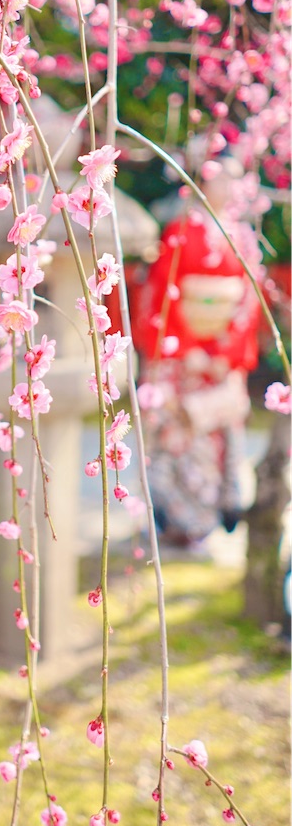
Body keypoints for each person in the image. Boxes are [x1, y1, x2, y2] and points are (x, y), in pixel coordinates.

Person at [136, 147, 261, 548]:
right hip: (183, 354)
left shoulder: (242, 235)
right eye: (220, 176)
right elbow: (163, 293)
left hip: (220, 358)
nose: (226, 185)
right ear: (201, 179)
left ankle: (207, 520)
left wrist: (225, 354)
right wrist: (186, 345)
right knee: (178, 434)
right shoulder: (179, 230)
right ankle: (174, 520)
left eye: (233, 178)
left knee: (215, 441)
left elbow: (248, 298)